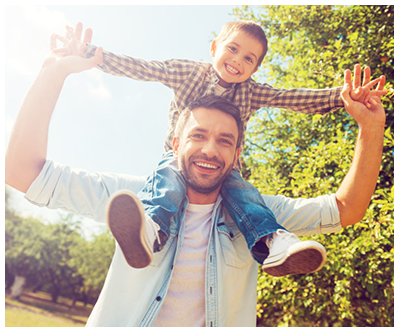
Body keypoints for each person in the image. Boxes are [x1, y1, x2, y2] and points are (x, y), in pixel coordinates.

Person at [5, 35, 386, 326]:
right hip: (152, 196)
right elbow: (21, 172)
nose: (209, 149)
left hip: (248, 206)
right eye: (198, 136)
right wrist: (63, 68)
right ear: (176, 142)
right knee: (159, 194)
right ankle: (152, 229)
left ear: (238, 154)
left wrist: (363, 119)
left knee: (251, 209)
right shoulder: (132, 198)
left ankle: (272, 242)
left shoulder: (252, 205)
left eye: (224, 141)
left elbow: (346, 207)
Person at [54, 21, 386, 276]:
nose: (237, 61)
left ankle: (272, 242)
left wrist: (341, 98)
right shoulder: (187, 72)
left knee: (242, 192)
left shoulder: (252, 92)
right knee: (168, 180)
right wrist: (95, 56)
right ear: (214, 47)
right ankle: (152, 230)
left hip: (225, 168)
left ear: (255, 69)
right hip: (180, 160)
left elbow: (291, 98)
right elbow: (146, 68)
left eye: (249, 59)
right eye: (232, 49)